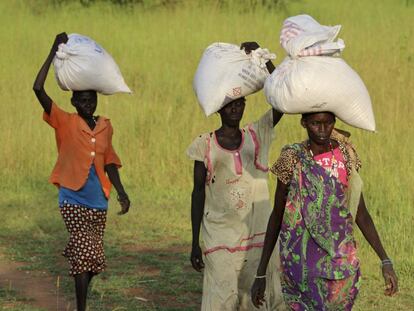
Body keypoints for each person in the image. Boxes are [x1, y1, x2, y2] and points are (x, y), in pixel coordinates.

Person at [251, 112, 398, 310]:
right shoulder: (292, 158)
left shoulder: (346, 156)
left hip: (340, 263)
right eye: (315, 123)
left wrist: (385, 259)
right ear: (303, 123)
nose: (322, 130)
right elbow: (278, 214)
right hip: (301, 265)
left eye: (328, 123)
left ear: (334, 123)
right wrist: (261, 272)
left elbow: (360, 212)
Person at [33, 32, 131, 311]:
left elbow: (110, 161)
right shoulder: (64, 121)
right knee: (85, 255)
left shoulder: (105, 126)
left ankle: (79, 283)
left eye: (92, 100)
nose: (88, 104)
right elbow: (38, 89)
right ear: (74, 102)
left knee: (94, 260)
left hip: (98, 200)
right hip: (72, 199)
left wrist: (122, 192)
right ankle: (81, 308)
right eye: (83, 101)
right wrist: (53, 49)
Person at [187, 42, 286, 310]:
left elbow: (281, 102)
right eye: (230, 105)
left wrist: (263, 59)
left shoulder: (257, 135)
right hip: (219, 237)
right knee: (221, 299)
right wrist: (195, 241)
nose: (236, 109)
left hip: (256, 235)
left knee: (255, 299)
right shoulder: (204, 145)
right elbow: (197, 194)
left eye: (240, 103)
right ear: (219, 108)